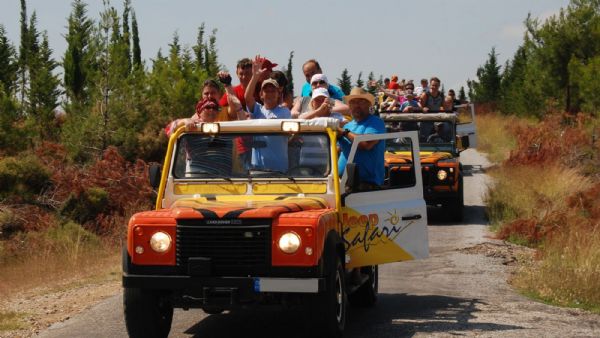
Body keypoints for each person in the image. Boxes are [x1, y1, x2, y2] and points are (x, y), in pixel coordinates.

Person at [245, 56, 291, 172]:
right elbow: (247, 97)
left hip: (279, 169)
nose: (269, 94)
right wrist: (255, 76)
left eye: (273, 90)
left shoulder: (284, 112)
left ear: (278, 93)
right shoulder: (257, 110)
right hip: (258, 169)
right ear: (261, 94)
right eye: (266, 91)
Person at [337, 87, 386, 190]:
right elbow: (337, 150)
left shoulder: (376, 123)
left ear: (369, 105)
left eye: (361, 102)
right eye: (353, 102)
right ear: (349, 106)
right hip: (342, 183)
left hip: (365, 186)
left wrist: (344, 132)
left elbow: (365, 144)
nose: (356, 105)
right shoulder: (347, 126)